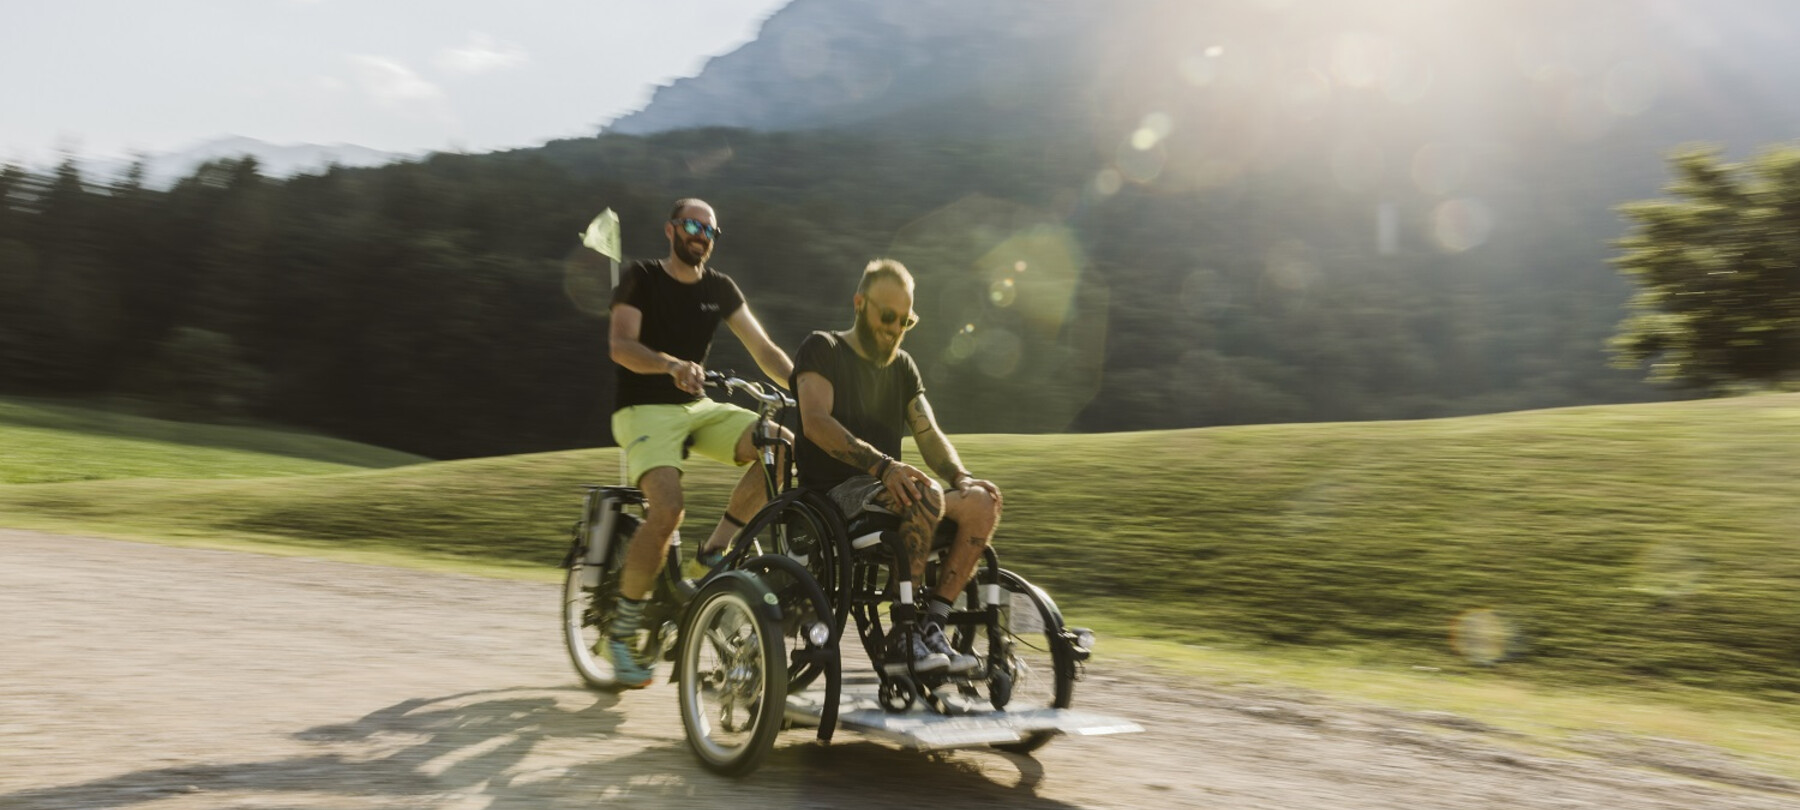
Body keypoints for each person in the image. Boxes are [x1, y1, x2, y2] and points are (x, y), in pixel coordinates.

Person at [605, 198, 794, 688]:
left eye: (710, 230)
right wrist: (670, 365)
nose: (701, 235)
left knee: (779, 444)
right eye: (692, 225)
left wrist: (810, 389)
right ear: (670, 230)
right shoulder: (641, 276)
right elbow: (621, 346)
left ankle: (713, 551)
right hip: (643, 408)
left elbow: (766, 350)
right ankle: (622, 633)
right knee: (667, 510)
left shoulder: (719, 288)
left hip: (696, 408)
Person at [791, 258, 1003, 675]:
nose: (894, 329)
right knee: (924, 494)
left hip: (897, 492)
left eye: (905, 321)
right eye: (887, 316)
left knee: (983, 502)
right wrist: (883, 466)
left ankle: (931, 626)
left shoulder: (903, 366)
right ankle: (901, 634)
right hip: (835, 497)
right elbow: (815, 423)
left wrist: (961, 476)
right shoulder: (823, 348)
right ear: (859, 303)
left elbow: (927, 432)